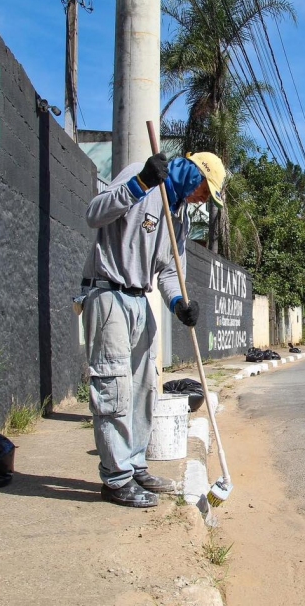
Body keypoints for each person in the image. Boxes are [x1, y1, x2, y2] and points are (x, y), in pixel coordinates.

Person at [79, 150, 226, 507]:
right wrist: (140, 183)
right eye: (206, 189)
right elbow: (94, 215)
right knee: (114, 389)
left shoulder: (180, 220)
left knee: (145, 388)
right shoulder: (141, 177)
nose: (204, 198)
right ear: (194, 173)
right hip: (108, 291)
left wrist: (179, 304)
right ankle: (116, 479)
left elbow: (170, 272)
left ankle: (135, 465)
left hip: (139, 300)